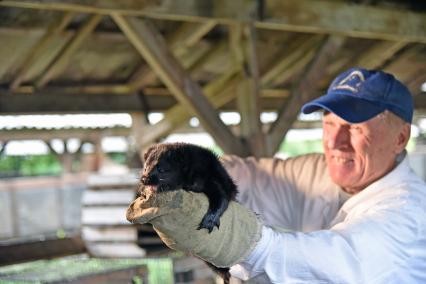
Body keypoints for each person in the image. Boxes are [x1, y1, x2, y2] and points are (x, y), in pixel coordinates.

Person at [127, 67, 426, 283]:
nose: (336, 142)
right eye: (330, 124)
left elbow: (337, 261)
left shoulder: (408, 211)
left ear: (400, 138)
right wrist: (179, 171)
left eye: (356, 128)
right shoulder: (323, 172)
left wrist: (239, 240)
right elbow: (251, 179)